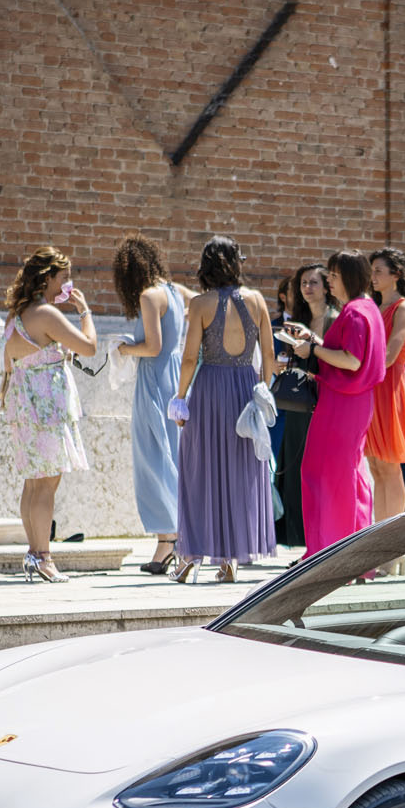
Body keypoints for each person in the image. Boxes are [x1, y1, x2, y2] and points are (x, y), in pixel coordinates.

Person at [169, 237, 277, 582]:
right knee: (238, 474)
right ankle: (229, 560)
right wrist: (264, 391)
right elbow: (270, 357)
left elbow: (189, 358)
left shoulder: (200, 304)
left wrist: (179, 397)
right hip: (245, 390)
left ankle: (188, 557)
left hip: (210, 390)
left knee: (200, 471)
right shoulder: (257, 300)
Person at [0, 245, 95, 583]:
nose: (68, 284)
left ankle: (33, 552)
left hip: (25, 407)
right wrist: (85, 312)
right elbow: (90, 347)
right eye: (64, 277)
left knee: (32, 484)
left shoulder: (17, 314)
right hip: (47, 410)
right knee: (46, 487)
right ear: (47, 278)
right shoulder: (47, 315)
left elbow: (9, 361)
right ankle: (43, 556)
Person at [283, 250, 384, 552]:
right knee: (348, 476)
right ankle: (351, 552)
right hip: (353, 401)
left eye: (335, 275)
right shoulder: (367, 308)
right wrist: (314, 343)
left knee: (326, 475)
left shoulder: (354, 311)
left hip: (341, 403)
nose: (329, 280)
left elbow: (351, 361)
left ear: (350, 277)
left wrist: (312, 350)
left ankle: (330, 549)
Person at [110, 232, 194, 574]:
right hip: (175, 377)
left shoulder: (148, 295)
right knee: (172, 456)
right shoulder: (174, 291)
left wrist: (124, 348)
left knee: (152, 459)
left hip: (154, 379)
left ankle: (166, 541)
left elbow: (153, 347)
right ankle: (179, 536)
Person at [364, 247, 405, 524]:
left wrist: (356, 363)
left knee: (389, 467)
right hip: (369, 386)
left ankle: (394, 549)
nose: (373, 276)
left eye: (379, 270)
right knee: (376, 467)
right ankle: (380, 540)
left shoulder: (404, 307)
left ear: (396, 274)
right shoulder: (373, 306)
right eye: (372, 271)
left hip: (390, 387)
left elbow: (391, 354)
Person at [274, 262, 335, 548]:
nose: (307, 288)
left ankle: (324, 538)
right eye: (303, 284)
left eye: (313, 283)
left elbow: (336, 358)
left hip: (326, 402)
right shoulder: (300, 319)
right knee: (297, 467)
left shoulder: (334, 319)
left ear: (326, 287)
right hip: (300, 403)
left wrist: (312, 342)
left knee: (320, 471)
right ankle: (304, 539)